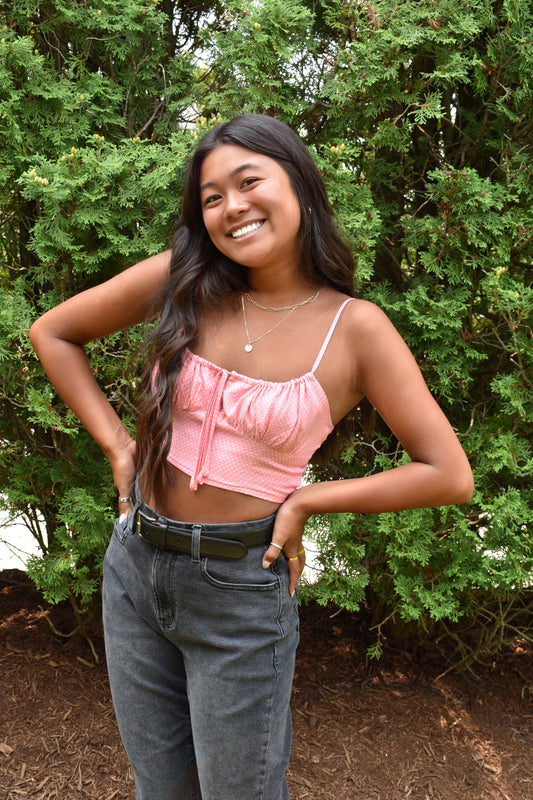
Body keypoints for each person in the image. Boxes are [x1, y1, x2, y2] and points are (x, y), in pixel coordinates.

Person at [29, 113, 473, 800]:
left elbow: (447, 473)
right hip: (135, 568)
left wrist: (306, 498)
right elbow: (54, 332)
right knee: (162, 790)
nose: (230, 207)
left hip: (239, 588)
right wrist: (119, 446)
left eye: (247, 182)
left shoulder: (353, 329)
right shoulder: (186, 278)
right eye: (210, 197)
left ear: (296, 183)